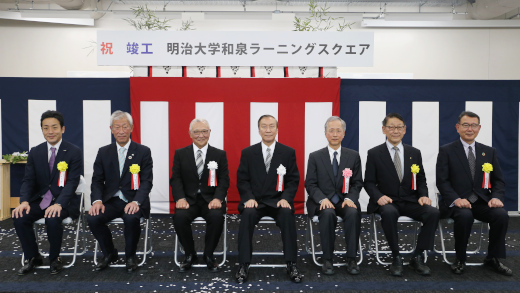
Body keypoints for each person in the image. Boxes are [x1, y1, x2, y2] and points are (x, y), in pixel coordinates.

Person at [436, 111, 512, 276]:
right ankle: (460, 259)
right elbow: (442, 181)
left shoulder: (489, 152)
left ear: (479, 128)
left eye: (473, 125)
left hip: (481, 202)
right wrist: (456, 199)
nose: (469, 129)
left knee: (501, 215)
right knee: (464, 216)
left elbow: (498, 180)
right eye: (465, 125)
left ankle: (492, 258)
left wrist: (496, 197)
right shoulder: (446, 151)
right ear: (458, 127)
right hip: (457, 203)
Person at [365, 113, 439, 277]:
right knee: (389, 213)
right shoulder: (375, 153)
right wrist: (379, 197)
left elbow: (420, 179)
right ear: (384, 129)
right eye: (391, 127)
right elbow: (369, 182)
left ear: (405, 130)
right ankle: (396, 256)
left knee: (433, 213)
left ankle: (418, 255)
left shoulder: (414, 153)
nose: (395, 131)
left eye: (399, 127)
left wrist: (423, 195)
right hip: (388, 201)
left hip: (410, 200)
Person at [13, 110, 83, 275]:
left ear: (62, 129)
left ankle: (54, 258)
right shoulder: (35, 152)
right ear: (42, 130)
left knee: (52, 217)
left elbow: (72, 182)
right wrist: (24, 201)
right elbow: (28, 180)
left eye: (54, 127)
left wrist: (59, 203)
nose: (50, 131)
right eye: (46, 128)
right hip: (41, 200)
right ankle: (33, 257)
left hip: (64, 201)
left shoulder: (73, 151)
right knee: (20, 216)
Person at [235, 115, 303, 284]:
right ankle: (243, 264)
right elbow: (242, 180)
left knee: (287, 216)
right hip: (256, 201)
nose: (268, 130)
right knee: (247, 216)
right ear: (258, 130)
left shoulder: (288, 152)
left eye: (271, 126)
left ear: (277, 129)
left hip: (278, 201)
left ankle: (291, 263)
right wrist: (248, 198)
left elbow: (293, 180)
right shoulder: (248, 153)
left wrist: (286, 198)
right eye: (264, 126)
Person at [87, 110, 153, 273]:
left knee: (131, 218)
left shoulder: (143, 151)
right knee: (93, 217)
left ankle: (130, 256)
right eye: (117, 127)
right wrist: (97, 201)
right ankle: (109, 253)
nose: (121, 131)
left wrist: (136, 201)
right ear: (111, 129)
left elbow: (146, 181)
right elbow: (96, 180)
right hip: (110, 200)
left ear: (131, 128)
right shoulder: (103, 152)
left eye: (125, 126)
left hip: (133, 199)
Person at [305, 116, 363, 275]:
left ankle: (351, 258)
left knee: (352, 213)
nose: (335, 134)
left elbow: (357, 183)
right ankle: (327, 259)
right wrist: (322, 199)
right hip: (322, 202)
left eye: (338, 130)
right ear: (325, 133)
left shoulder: (353, 156)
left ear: (344, 133)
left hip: (345, 201)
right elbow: (310, 183)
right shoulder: (315, 157)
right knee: (328, 214)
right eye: (331, 130)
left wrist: (350, 198)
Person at [170, 118, 230, 272]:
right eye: (197, 131)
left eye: (204, 131)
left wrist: (218, 198)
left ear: (209, 133)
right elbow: (175, 179)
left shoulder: (220, 154)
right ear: (190, 134)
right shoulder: (180, 154)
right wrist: (180, 198)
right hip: (188, 201)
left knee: (217, 217)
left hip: (211, 200)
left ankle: (209, 255)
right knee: (180, 217)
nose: (201, 135)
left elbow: (224, 180)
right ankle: (190, 254)